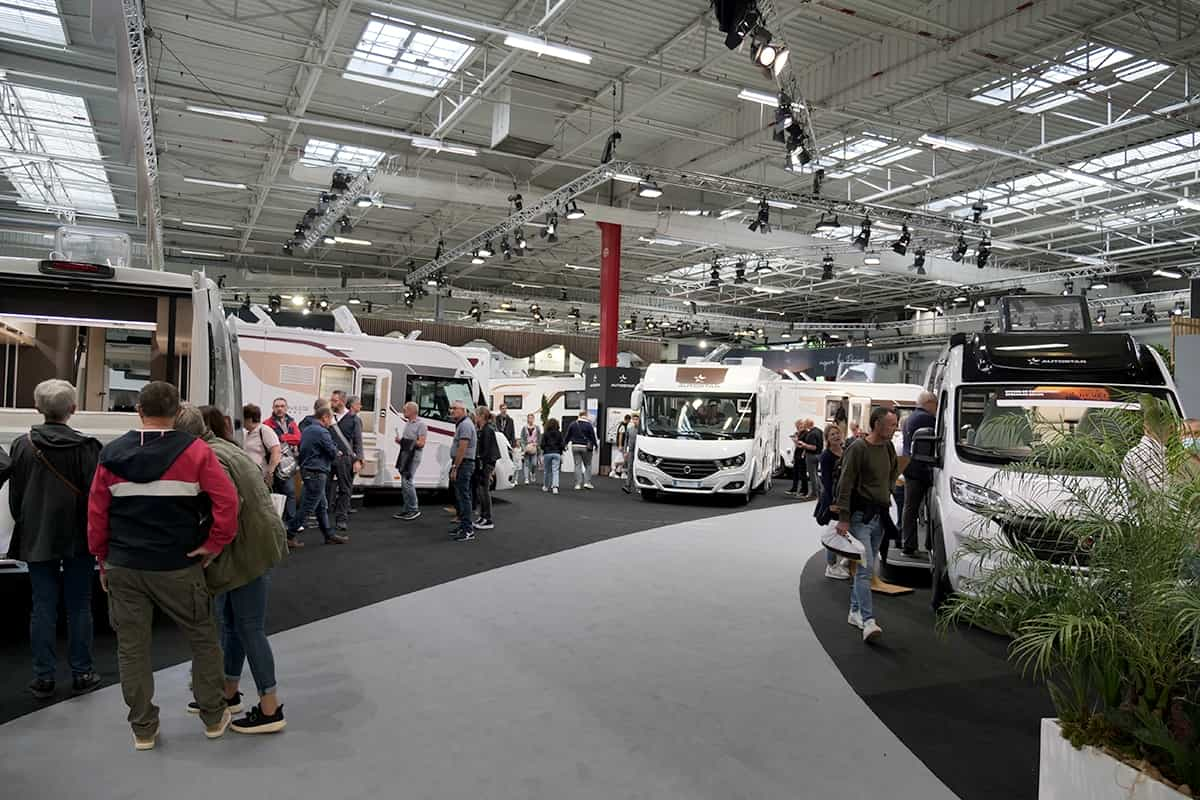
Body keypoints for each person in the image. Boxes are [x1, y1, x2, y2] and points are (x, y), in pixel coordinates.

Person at [86, 381, 239, 750]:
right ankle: (213, 716)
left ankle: (143, 729)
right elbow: (227, 504)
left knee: (132, 647)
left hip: (124, 565)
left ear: (139, 410)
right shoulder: (197, 452)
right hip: (178, 565)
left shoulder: (110, 454)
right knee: (203, 637)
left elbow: (96, 515)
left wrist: (102, 560)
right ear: (177, 413)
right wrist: (212, 545)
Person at [176, 407, 288, 734]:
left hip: (248, 550)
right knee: (235, 622)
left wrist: (210, 545)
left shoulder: (209, 456)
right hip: (255, 545)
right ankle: (228, 692)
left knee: (249, 626)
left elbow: (229, 504)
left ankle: (271, 708)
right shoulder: (225, 449)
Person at [8, 379, 103, 700]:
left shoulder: (22, 445)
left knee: (42, 606)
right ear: (73, 410)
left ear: (38, 408)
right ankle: (82, 671)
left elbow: (16, 497)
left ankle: (43, 677)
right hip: (78, 536)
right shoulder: (88, 447)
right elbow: (95, 498)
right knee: (79, 605)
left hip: (37, 535)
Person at [835, 406, 900, 644]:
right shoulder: (859, 448)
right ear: (876, 424)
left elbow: (893, 471)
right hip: (860, 518)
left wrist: (887, 491)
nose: (894, 429)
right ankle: (868, 619)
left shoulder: (889, 447)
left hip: (879, 517)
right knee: (865, 568)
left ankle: (855, 611)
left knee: (867, 568)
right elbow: (846, 481)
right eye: (891, 425)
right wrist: (844, 516)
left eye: (895, 424)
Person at [289, 404, 348, 546]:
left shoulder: (308, 429)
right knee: (308, 507)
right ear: (325, 417)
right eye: (331, 418)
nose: (332, 421)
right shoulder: (322, 432)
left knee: (321, 505)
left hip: (308, 471)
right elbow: (332, 451)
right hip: (317, 472)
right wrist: (337, 452)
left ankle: (328, 535)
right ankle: (289, 535)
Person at [900, 391, 938, 556]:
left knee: (910, 509)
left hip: (911, 468)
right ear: (929, 403)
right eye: (936, 405)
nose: (937, 409)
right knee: (926, 508)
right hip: (922, 469)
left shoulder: (910, 418)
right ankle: (928, 544)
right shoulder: (926, 418)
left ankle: (909, 544)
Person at [816, 424, 850, 580]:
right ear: (827, 439)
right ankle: (831, 565)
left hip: (844, 497)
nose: (836, 436)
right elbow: (827, 481)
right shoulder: (826, 456)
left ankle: (843, 558)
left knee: (844, 530)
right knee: (834, 532)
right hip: (832, 498)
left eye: (837, 433)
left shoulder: (845, 451)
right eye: (832, 435)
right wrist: (831, 502)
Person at [327, 391, 363, 532]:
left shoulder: (354, 419)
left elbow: (358, 442)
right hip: (329, 458)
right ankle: (323, 518)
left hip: (346, 460)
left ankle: (341, 519)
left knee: (345, 490)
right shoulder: (329, 417)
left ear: (342, 401)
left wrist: (358, 460)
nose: (332, 403)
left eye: (334, 401)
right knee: (325, 489)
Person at [265, 398, 300, 524]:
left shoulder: (291, 422)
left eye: (282, 406)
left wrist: (282, 438)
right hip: (273, 462)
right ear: (273, 408)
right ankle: (278, 521)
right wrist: (285, 439)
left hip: (287, 464)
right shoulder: (267, 423)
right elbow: (269, 441)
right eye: (277, 406)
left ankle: (290, 521)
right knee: (277, 492)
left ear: (286, 408)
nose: (279, 408)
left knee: (289, 492)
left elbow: (297, 438)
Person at [392, 401, 427, 521]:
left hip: (414, 457)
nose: (404, 411)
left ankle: (413, 509)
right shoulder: (408, 423)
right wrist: (401, 441)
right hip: (405, 455)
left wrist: (406, 442)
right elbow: (408, 441)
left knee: (407, 481)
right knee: (404, 482)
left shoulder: (421, 424)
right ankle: (407, 509)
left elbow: (421, 443)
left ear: (412, 411)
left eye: (406, 409)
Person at [449, 401, 477, 542]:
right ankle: (463, 526)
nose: (451, 410)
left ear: (463, 410)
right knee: (461, 496)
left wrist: (455, 467)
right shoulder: (462, 424)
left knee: (464, 496)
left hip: (464, 464)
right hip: (463, 464)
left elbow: (462, 448)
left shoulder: (465, 425)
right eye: (451, 408)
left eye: (455, 408)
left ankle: (467, 530)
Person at [242, 404, 281, 489]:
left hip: (261, 475)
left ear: (249, 419)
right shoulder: (247, 433)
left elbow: (276, 451)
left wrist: (270, 472)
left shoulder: (264, 430)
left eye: (243, 419)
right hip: (249, 474)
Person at [474, 406, 500, 530]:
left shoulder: (487, 430)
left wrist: (482, 462)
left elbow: (487, 450)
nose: (475, 417)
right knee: (480, 490)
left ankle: (488, 518)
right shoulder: (483, 429)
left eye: (476, 415)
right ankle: (483, 515)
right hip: (484, 463)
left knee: (484, 490)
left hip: (486, 463)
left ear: (482, 416)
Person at [565, 410, 599, 490]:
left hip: (575, 446)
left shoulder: (573, 424)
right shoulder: (589, 425)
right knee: (588, 464)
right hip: (586, 447)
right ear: (586, 415)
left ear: (579, 415)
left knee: (577, 465)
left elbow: (568, 435)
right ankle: (587, 482)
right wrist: (596, 446)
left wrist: (565, 444)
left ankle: (578, 484)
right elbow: (593, 437)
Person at [801, 418, 823, 500]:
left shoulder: (811, 434)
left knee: (812, 476)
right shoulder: (819, 431)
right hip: (818, 455)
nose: (804, 425)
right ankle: (821, 491)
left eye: (805, 424)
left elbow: (813, 447)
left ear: (808, 424)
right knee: (816, 475)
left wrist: (804, 445)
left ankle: (814, 494)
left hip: (811, 456)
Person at [540, 418, 564, 495]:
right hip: (556, 453)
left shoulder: (545, 433)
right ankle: (555, 487)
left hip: (547, 453)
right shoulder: (559, 433)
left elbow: (542, 445)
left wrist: (545, 449)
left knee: (547, 471)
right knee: (555, 471)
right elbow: (562, 445)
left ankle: (546, 486)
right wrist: (560, 451)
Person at [786, 419, 808, 496]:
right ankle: (794, 489)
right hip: (797, 454)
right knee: (795, 472)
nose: (799, 427)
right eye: (798, 426)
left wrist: (795, 441)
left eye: (800, 425)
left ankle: (804, 490)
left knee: (802, 473)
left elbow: (803, 445)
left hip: (802, 455)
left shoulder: (806, 433)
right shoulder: (800, 433)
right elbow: (797, 446)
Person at [518, 413, 541, 486]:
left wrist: (537, 444)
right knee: (526, 463)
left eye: (532, 418)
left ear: (533, 419)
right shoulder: (524, 428)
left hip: (534, 447)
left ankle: (533, 473)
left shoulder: (537, 427)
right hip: (527, 447)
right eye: (529, 418)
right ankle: (526, 479)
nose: (530, 419)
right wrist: (524, 447)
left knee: (534, 463)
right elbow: (522, 438)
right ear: (527, 419)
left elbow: (539, 437)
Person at [622, 413, 640, 494]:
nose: (635, 421)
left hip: (639, 452)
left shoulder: (641, 430)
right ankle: (627, 486)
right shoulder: (630, 429)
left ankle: (639, 487)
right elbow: (626, 440)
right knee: (629, 468)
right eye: (634, 419)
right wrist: (625, 451)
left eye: (637, 419)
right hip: (631, 451)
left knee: (638, 469)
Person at [613, 415, 630, 479]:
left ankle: (617, 472)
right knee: (622, 459)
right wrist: (620, 445)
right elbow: (620, 436)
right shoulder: (623, 426)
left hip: (623, 445)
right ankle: (614, 470)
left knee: (622, 459)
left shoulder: (623, 425)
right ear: (628, 419)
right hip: (622, 445)